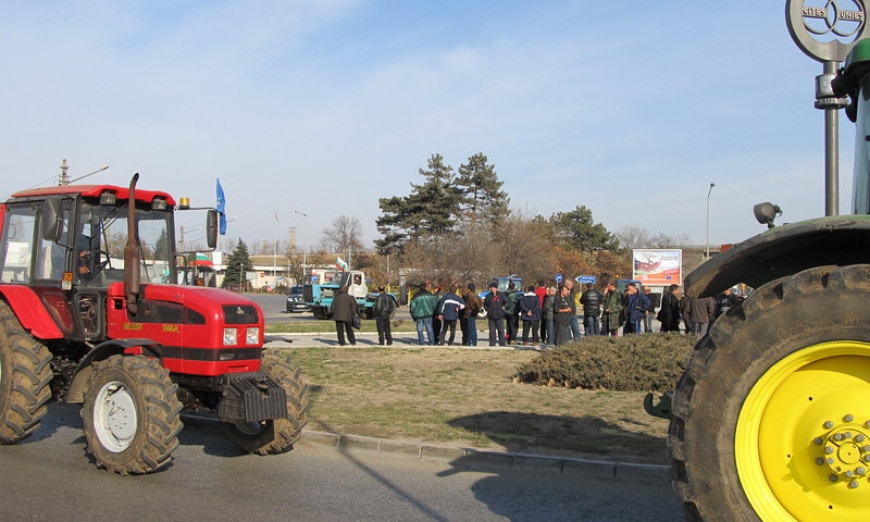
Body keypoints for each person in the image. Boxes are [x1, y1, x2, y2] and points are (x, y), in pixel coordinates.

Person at [483, 282, 508, 346]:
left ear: (496, 288)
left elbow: (507, 302)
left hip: (499, 316)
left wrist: (504, 306)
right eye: (491, 288)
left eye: (493, 288)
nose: (492, 289)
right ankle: (492, 343)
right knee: (492, 331)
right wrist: (488, 309)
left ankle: (502, 343)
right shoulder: (488, 296)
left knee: (501, 331)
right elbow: (485, 305)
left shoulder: (501, 295)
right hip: (491, 316)